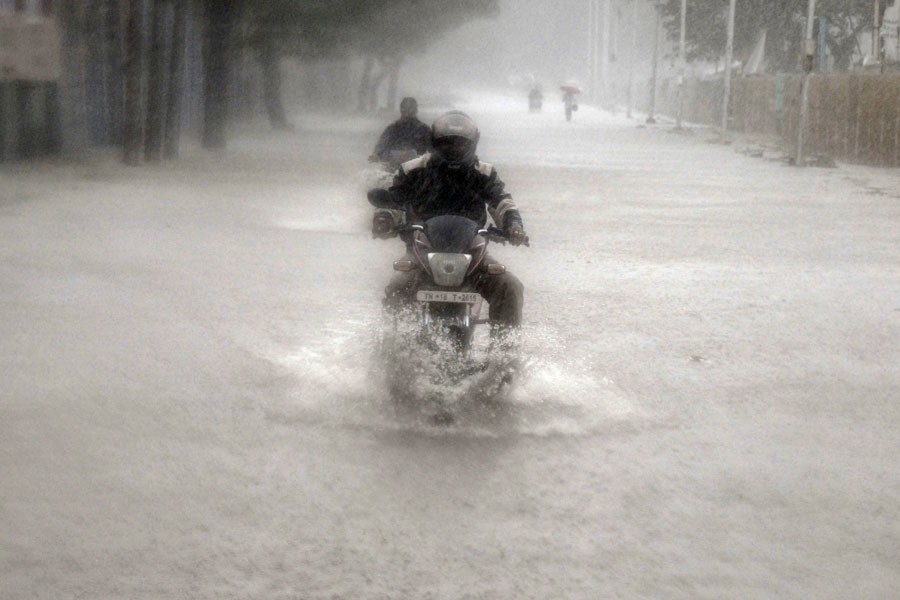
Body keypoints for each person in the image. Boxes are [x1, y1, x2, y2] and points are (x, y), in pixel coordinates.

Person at [374, 110, 528, 335]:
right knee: (397, 287)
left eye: (459, 144)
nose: (453, 149)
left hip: (473, 254)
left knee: (510, 287)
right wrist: (384, 218)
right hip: (421, 253)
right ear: (435, 143)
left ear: (472, 145)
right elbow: (395, 201)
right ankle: (391, 347)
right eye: (447, 144)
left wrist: (513, 226)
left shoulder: (483, 172)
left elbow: (501, 202)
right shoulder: (413, 170)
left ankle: (504, 353)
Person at [368, 97, 431, 166]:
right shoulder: (392, 129)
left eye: (410, 109)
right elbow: (382, 144)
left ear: (416, 110)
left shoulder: (424, 130)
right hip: (395, 167)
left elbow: (432, 149)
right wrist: (377, 154)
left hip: (418, 168)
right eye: (405, 109)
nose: (408, 112)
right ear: (401, 110)